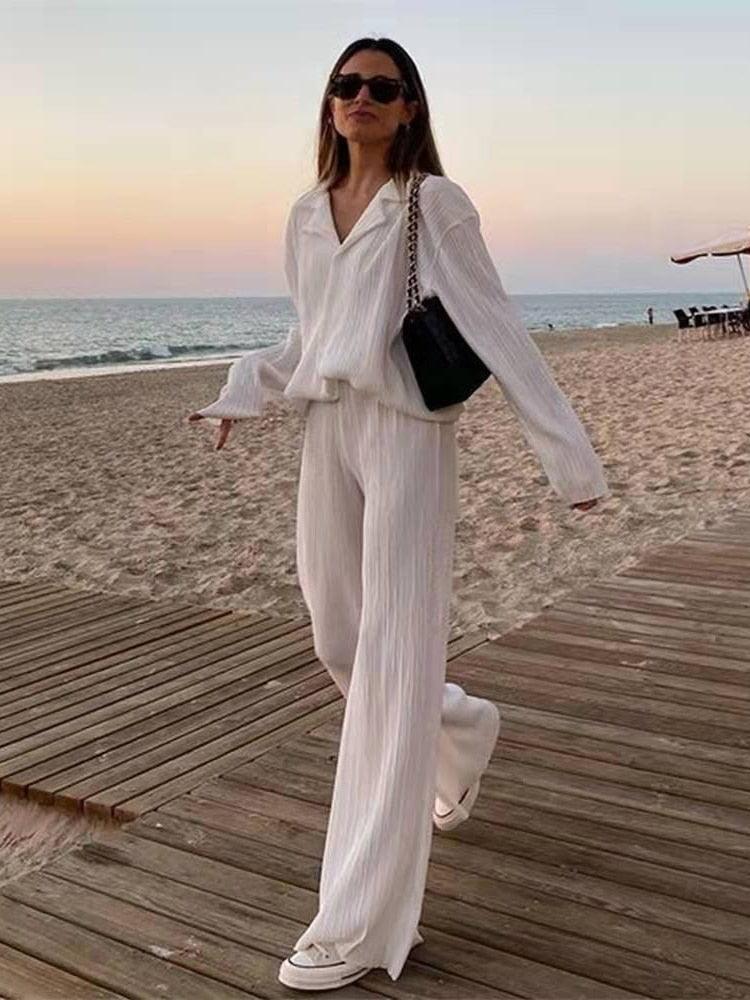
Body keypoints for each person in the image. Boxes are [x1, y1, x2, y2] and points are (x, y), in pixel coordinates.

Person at [188, 36, 608, 992]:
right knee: (339, 635)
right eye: (347, 85)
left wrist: (568, 460)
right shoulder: (306, 213)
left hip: (408, 434)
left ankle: (359, 921)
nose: (362, 97)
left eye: (383, 86)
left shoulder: (435, 203)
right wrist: (241, 389)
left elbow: (497, 325)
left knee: (390, 663)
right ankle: (458, 731)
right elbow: (310, 334)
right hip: (327, 430)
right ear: (330, 104)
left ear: (410, 106)